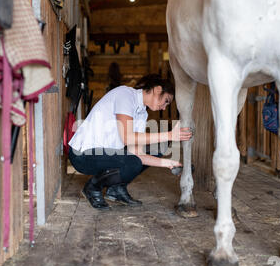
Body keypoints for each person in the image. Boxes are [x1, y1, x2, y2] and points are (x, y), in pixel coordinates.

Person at [68, 74, 192, 210]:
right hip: (82, 155)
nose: (164, 107)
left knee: (152, 152)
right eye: (166, 101)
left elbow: (137, 154)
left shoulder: (142, 113)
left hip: (104, 156)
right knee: (132, 162)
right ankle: (92, 187)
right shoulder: (125, 95)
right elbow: (127, 138)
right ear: (157, 90)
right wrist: (169, 135)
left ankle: (116, 189)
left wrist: (169, 163)